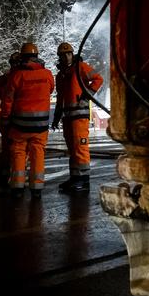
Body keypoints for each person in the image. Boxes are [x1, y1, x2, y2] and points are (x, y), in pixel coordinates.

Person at [0, 43, 54, 199]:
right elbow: (50, 90)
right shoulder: (47, 74)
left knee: (18, 152)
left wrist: (5, 118)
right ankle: (36, 188)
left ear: (22, 57)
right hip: (41, 124)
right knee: (38, 152)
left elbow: (8, 100)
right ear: (37, 56)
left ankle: (17, 187)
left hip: (20, 124)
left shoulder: (17, 75)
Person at [52, 42, 103, 193]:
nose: (66, 57)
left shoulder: (80, 67)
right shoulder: (61, 75)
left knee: (80, 147)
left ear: (72, 54)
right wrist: (57, 117)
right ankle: (75, 178)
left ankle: (83, 181)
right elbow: (60, 97)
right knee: (72, 149)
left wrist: (86, 97)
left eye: (68, 54)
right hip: (68, 117)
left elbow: (98, 79)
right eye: (63, 55)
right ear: (59, 57)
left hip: (79, 116)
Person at [0, 52, 21, 190]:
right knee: (21, 149)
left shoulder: (5, 78)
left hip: (8, 118)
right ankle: (17, 177)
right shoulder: (23, 76)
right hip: (20, 117)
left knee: (7, 149)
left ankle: (4, 177)